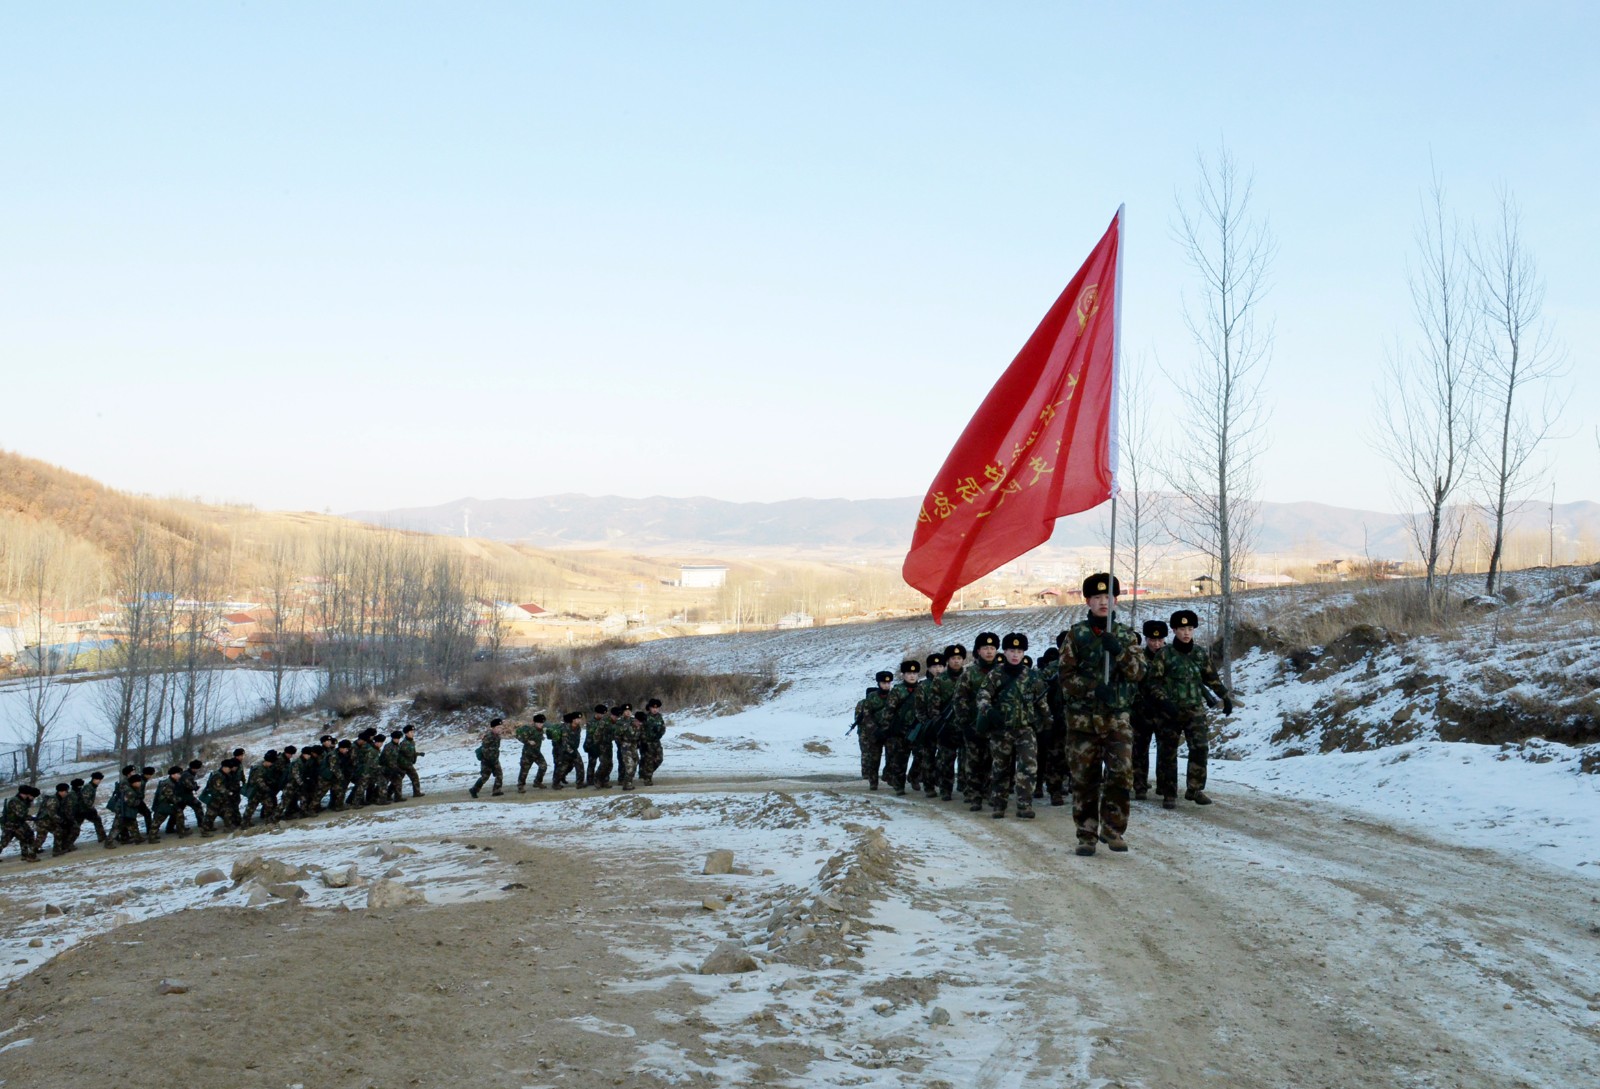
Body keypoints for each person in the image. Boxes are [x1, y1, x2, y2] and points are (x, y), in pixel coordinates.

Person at [1057, 573, 1145, 855]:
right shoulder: (1076, 635)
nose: (1103, 602)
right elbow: (1065, 677)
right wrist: (1095, 688)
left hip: (1116, 719)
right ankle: (1086, 834)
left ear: (1115, 600)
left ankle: (1113, 828)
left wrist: (1119, 652)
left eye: (1108, 597)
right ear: (1088, 601)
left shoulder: (1126, 636)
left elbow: (1139, 673)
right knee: (1085, 779)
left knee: (1121, 773)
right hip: (1082, 721)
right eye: (1096, 597)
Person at [1161, 609, 1234, 807]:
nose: (1186, 633)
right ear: (1174, 630)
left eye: (1190, 628)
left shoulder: (1199, 654)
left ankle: (1194, 789)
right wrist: (1164, 702)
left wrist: (1225, 697)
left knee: (1200, 748)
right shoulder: (1164, 655)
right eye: (1182, 628)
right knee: (1168, 753)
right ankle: (1169, 793)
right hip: (1170, 711)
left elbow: (1211, 678)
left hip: (1194, 710)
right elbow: (1153, 683)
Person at [974, 633, 1049, 819]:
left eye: (1019, 651)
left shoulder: (1032, 676)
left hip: (1025, 729)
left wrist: (1048, 722)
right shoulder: (995, 675)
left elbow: (1042, 703)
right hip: (1001, 730)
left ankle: (1024, 804)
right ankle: (999, 803)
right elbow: (982, 696)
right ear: (1005, 652)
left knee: (1029, 766)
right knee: (1000, 768)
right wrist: (989, 712)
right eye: (1011, 651)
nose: (1015, 655)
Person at [957, 633, 1003, 812]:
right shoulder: (969, 674)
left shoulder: (1002, 672)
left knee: (994, 761)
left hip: (994, 726)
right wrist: (965, 724)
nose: (989, 652)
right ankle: (974, 795)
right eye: (985, 648)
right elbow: (959, 700)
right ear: (978, 651)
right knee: (974, 762)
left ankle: (991, 792)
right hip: (974, 725)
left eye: (992, 648)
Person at [1131, 619, 1171, 803]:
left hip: (1164, 712)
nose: (1156, 644)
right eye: (1152, 640)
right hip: (1142, 711)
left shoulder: (1171, 656)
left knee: (1166, 751)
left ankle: (1164, 785)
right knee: (1140, 750)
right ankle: (1139, 786)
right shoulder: (1139, 658)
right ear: (1146, 639)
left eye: (1160, 640)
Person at [882, 660, 924, 795]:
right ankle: (899, 785)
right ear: (903, 675)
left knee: (921, 756)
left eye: (914, 673)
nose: (912, 676)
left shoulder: (922, 689)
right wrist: (890, 729)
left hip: (917, 730)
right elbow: (889, 711)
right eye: (908, 673)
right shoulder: (897, 691)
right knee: (900, 759)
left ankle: (914, 776)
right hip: (900, 731)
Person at [932, 645, 967, 801]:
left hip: (965, 725)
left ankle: (967, 788)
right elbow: (933, 705)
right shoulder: (940, 680)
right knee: (946, 760)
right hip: (947, 726)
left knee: (967, 760)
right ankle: (946, 789)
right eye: (953, 658)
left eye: (959, 658)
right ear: (948, 660)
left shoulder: (968, 676)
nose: (956, 661)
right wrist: (938, 723)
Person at [855, 671, 894, 791]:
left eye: (888, 683)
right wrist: (875, 730)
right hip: (874, 733)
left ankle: (888, 775)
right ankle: (873, 782)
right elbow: (867, 716)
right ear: (878, 683)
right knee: (874, 759)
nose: (886, 685)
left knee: (892, 757)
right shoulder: (871, 698)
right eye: (884, 683)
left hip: (889, 732)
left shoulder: (894, 696)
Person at [0, 785, 40, 863]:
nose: (30, 796)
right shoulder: (15, 801)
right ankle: (29, 856)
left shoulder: (22, 801)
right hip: (10, 824)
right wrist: (33, 818)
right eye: (28, 794)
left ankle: (26, 855)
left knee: (28, 835)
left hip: (17, 823)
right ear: (25, 793)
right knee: (4, 841)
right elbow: (21, 815)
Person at [470, 718, 505, 798]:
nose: (500, 729)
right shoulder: (489, 736)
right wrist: (490, 761)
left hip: (494, 759)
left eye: (501, 727)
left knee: (499, 774)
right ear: (493, 728)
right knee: (485, 777)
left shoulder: (497, 736)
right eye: (498, 728)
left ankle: (496, 791)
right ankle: (474, 790)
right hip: (487, 760)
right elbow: (485, 750)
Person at [154, 767, 193, 838]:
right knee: (158, 821)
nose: (179, 775)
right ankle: (152, 836)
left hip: (169, 803)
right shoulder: (168, 783)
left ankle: (181, 831)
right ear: (172, 775)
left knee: (179, 814)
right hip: (165, 804)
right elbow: (170, 796)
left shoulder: (174, 782)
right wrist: (179, 799)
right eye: (178, 774)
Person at [515, 715, 548, 792]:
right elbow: (518, 736)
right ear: (535, 723)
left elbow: (538, 735)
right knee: (524, 771)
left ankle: (537, 782)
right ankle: (520, 786)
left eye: (542, 723)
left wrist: (541, 737)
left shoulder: (540, 729)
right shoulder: (529, 729)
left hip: (537, 753)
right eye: (539, 723)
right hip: (528, 753)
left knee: (543, 766)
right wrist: (528, 741)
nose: (541, 725)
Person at [73, 773, 107, 844]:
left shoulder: (91, 787)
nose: (99, 781)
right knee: (76, 827)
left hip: (83, 810)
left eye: (100, 780)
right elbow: (86, 800)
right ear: (94, 779)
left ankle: (102, 837)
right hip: (83, 810)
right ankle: (102, 837)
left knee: (76, 827)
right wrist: (91, 809)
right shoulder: (89, 787)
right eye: (98, 779)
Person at [639, 699, 667, 785]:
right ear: (650, 708)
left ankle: (645, 772)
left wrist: (659, 733)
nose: (655, 709)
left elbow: (663, 728)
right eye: (653, 708)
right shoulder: (645, 717)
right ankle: (647, 779)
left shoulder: (659, 717)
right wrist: (643, 742)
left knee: (659, 759)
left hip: (656, 742)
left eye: (657, 708)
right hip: (647, 742)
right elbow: (641, 730)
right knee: (648, 760)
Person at [400, 725, 425, 798]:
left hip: (408, 764)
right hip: (403, 764)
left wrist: (419, 754)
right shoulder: (404, 743)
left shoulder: (411, 742)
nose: (413, 733)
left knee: (414, 777)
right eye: (411, 732)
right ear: (406, 733)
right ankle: (389, 794)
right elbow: (407, 754)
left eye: (413, 732)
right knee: (398, 780)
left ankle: (417, 792)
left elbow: (411, 753)